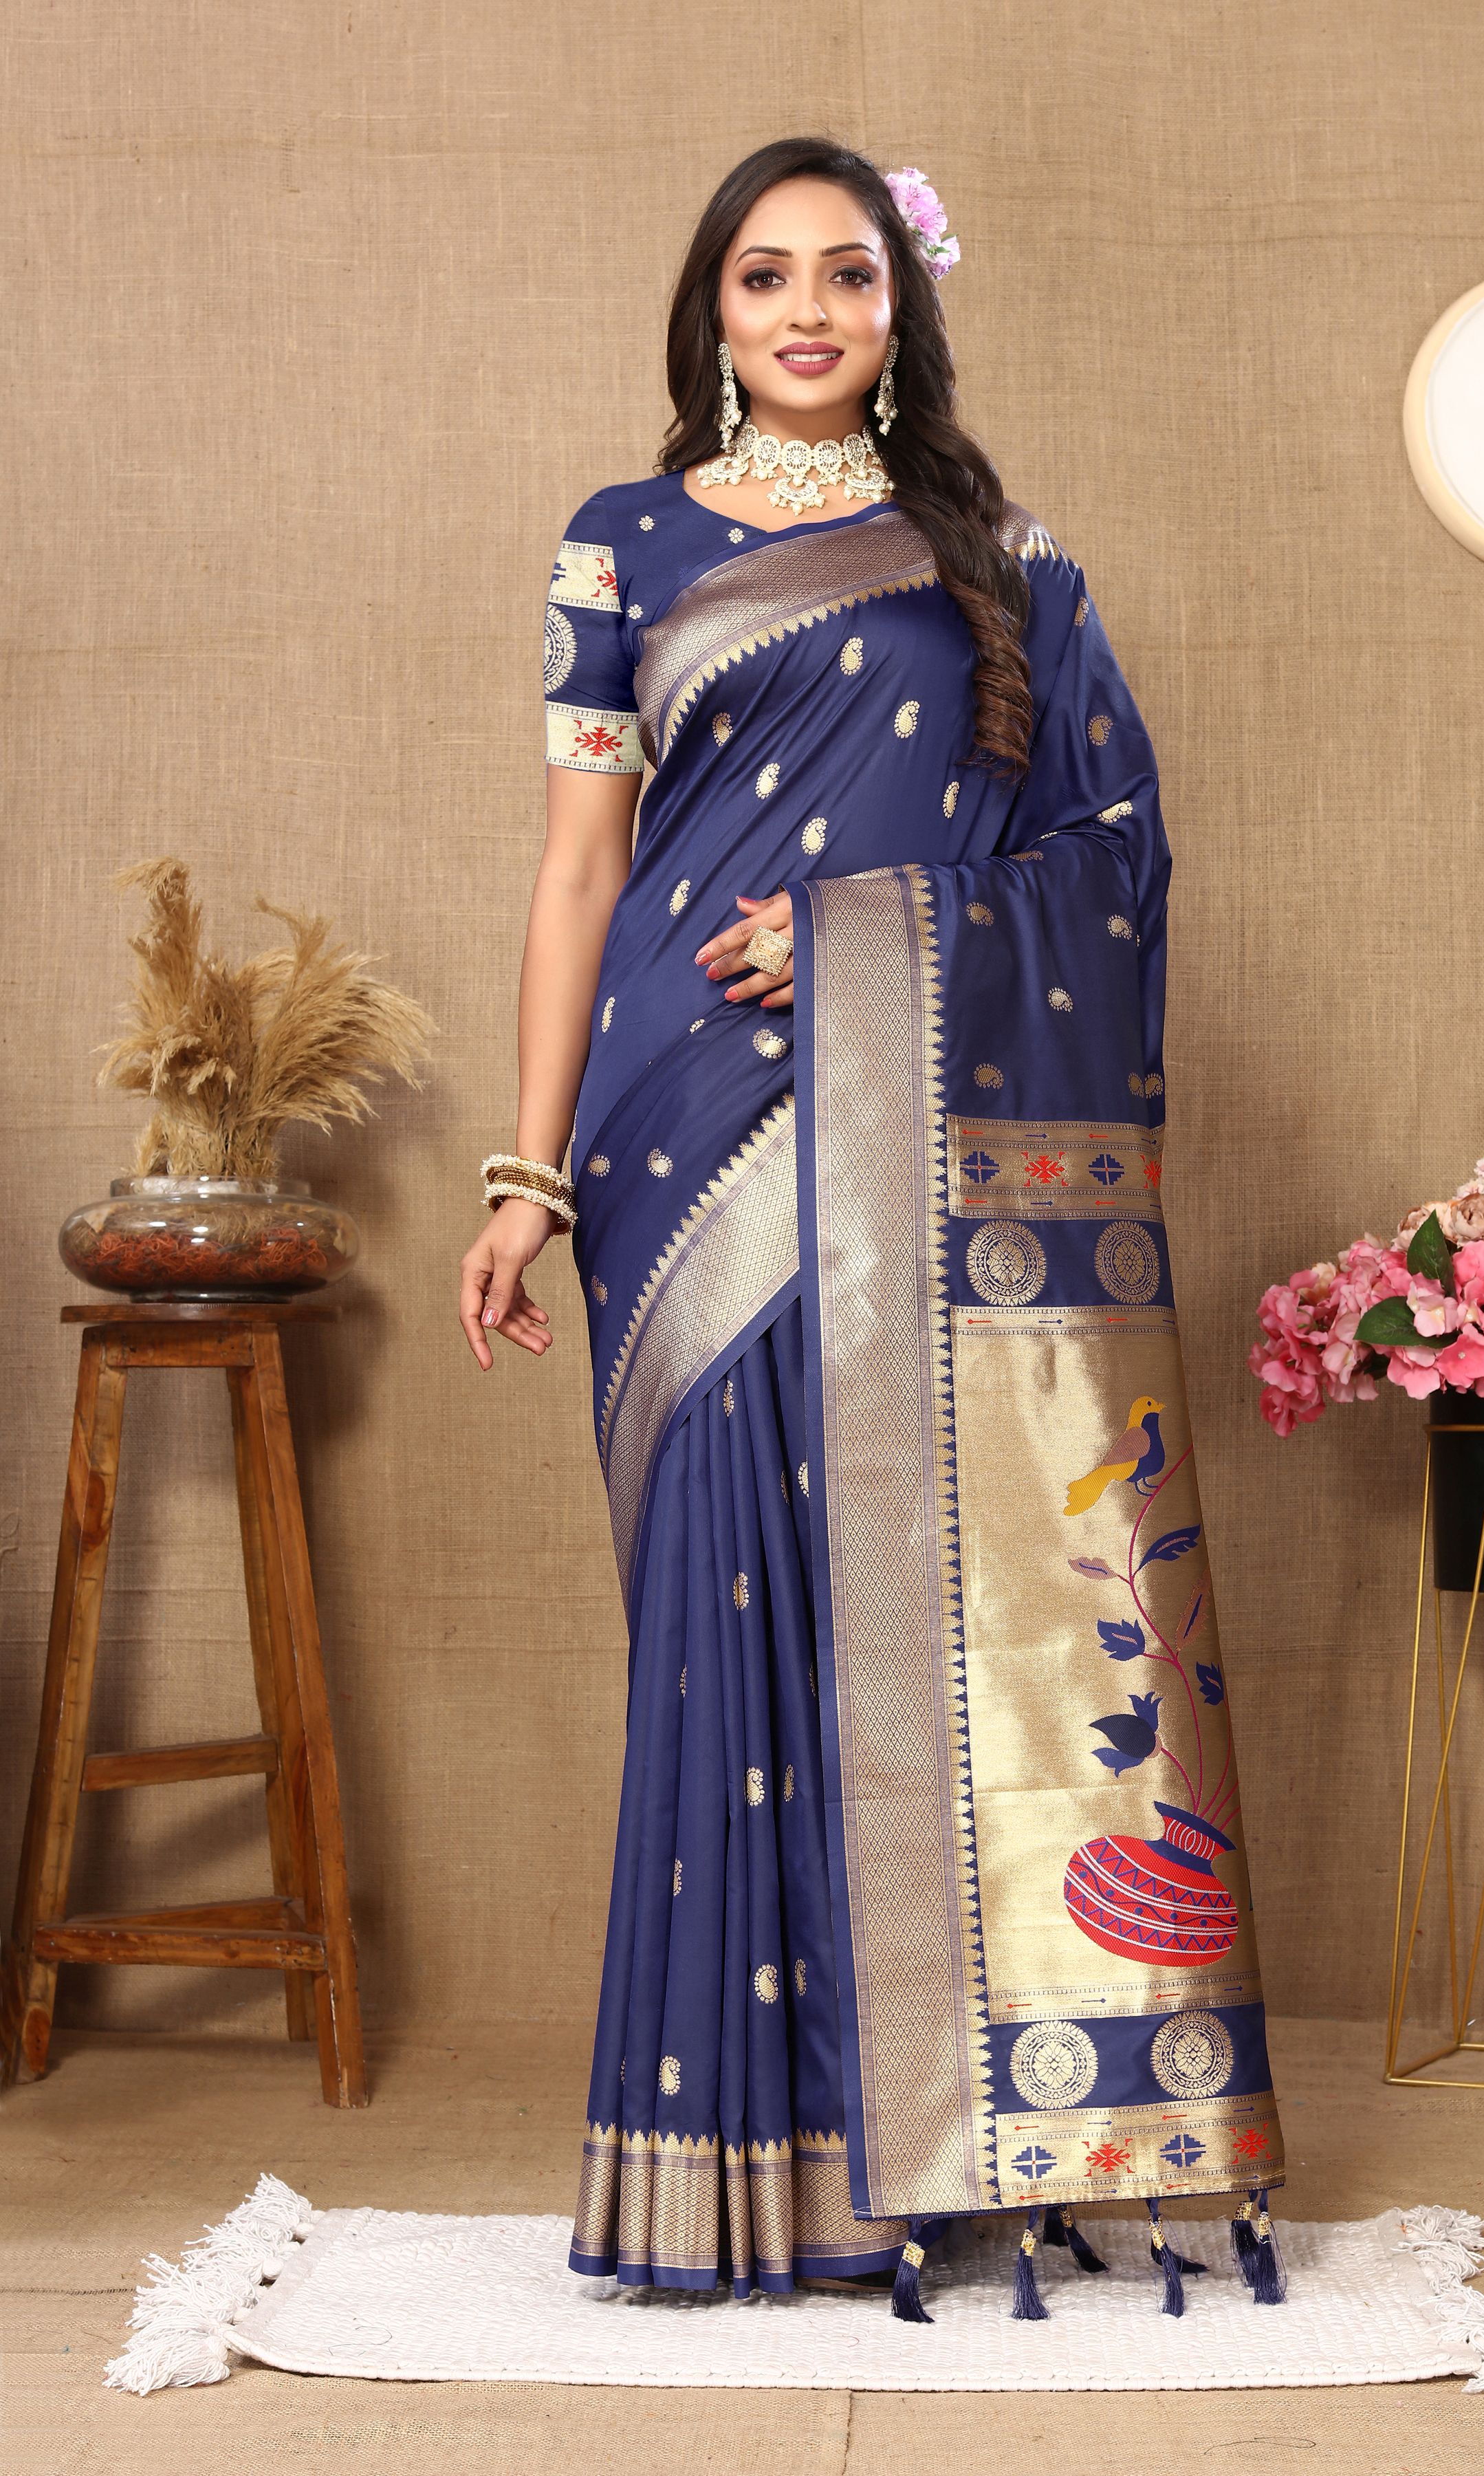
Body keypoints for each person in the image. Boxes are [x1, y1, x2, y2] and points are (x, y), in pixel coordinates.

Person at [459, 136, 1287, 2321]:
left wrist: (856, 928)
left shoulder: (998, 559)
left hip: (896, 1099)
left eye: (845, 274)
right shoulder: (620, 541)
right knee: (713, 1618)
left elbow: (1109, 858)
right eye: (764, 277)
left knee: (903, 1605)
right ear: (713, 315)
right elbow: (578, 870)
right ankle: (729, 2174)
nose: (807, 311)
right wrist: (526, 1171)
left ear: (898, 312)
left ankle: (924, 2145)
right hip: (676, 1118)